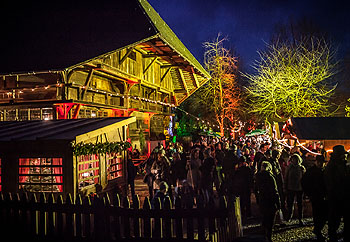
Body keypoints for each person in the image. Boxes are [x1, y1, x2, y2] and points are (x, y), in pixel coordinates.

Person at [324, 145, 349, 242]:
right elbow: (331, 183)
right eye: (342, 155)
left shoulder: (341, 165)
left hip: (342, 197)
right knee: (335, 219)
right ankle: (332, 236)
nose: (344, 156)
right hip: (336, 197)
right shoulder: (333, 167)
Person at [301, 155, 327, 241]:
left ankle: (318, 230)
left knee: (322, 214)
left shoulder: (323, 171)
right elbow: (304, 182)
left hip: (322, 196)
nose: (321, 164)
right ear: (316, 162)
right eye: (320, 162)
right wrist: (309, 193)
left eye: (322, 163)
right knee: (318, 214)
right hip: (316, 196)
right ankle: (318, 231)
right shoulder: (312, 171)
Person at [255, 161, 281, 242]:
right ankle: (268, 236)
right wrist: (278, 203)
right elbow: (274, 191)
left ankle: (263, 235)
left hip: (263, 200)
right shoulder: (270, 177)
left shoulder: (258, 177)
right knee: (270, 220)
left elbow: (255, 189)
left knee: (264, 217)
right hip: (270, 201)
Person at [284, 153, 306, 225]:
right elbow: (286, 178)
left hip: (299, 188)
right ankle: (289, 217)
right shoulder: (289, 168)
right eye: (293, 159)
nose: (294, 161)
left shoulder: (301, 168)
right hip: (291, 188)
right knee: (290, 203)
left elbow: (304, 179)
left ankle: (300, 218)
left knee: (300, 204)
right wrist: (285, 187)